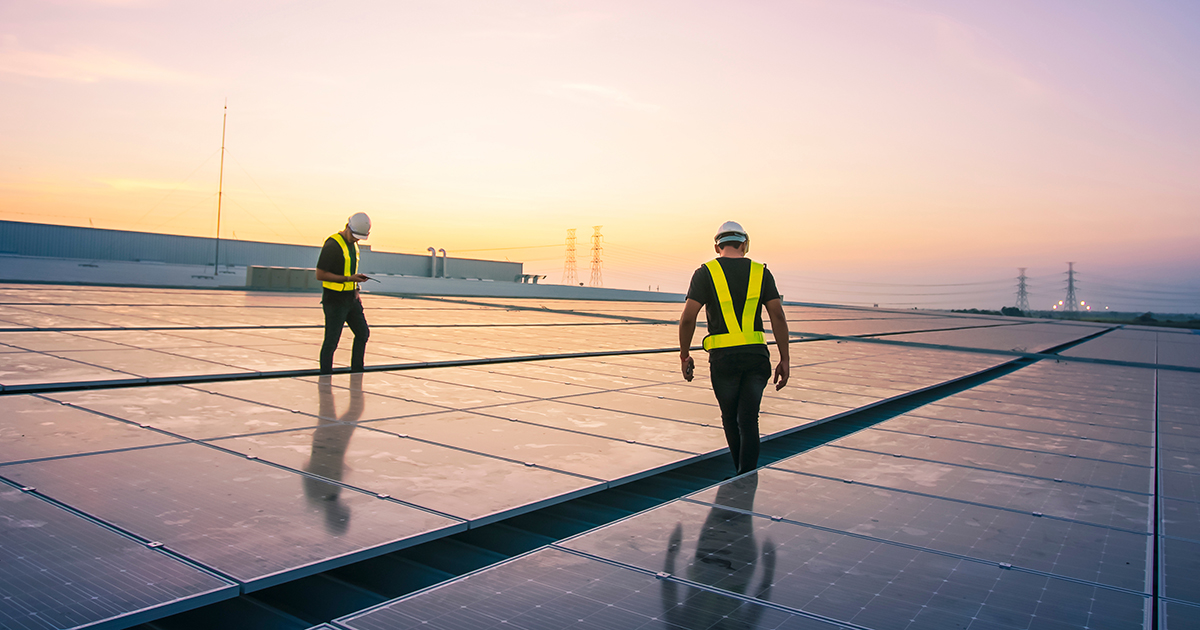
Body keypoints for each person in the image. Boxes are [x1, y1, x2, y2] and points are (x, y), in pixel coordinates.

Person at [678, 221, 790, 476]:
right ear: (745, 245)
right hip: (756, 359)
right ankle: (746, 475)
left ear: (717, 246)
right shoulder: (761, 272)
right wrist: (785, 358)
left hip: (724, 361)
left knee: (730, 419)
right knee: (749, 421)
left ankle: (741, 475)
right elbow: (778, 317)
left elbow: (687, 318)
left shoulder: (705, 272)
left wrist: (685, 355)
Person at [315, 212, 372, 374]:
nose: (356, 239)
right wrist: (348, 278)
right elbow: (320, 274)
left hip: (351, 298)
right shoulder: (333, 244)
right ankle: (325, 376)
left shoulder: (353, 245)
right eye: (355, 236)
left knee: (363, 333)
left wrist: (355, 280)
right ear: (348, 227)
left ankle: (357, 371)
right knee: (331, 341)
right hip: (334, 300)